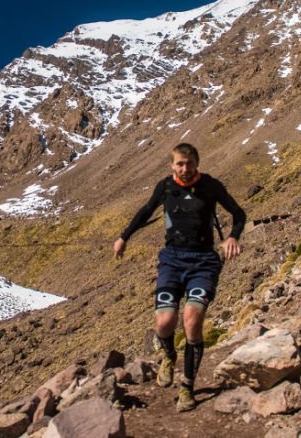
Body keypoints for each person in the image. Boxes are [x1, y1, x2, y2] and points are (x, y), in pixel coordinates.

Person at [113, 143, 245, 412]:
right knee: (164, 323)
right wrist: (124, 237)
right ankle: (170, 356)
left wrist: (232, 236)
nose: (185, 169)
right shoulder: (165, 187)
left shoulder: (211, 185)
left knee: (192, 319)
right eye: (180, 164)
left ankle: (187, 387)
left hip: (204, 262)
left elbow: (238, 214)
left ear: (197, 163)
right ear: (172, 165)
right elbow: (144, 212)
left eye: (189, 163)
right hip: (172, 260)